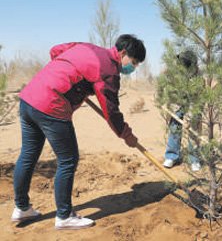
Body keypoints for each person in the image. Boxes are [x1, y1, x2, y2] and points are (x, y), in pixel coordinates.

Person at [12, 35, 146, 229]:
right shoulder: (108, 70)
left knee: (28, 154)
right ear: (123, 53)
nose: (132, 68)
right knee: (68, 159)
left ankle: (22, 208)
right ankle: (65, 216)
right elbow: (111, 111)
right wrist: (127, 135)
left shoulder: (86, 47)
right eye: (133, 63)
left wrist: (72, 76)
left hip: (29, 99)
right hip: (51, 104)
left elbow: (55, 50)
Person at [163, 50, 201, 172]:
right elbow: (168, 90)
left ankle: (194, 159)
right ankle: (172, 156)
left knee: (194, 128)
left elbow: (197, 101)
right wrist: (166, 103)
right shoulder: (173, 73)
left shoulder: (198, 77)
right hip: (177, 102)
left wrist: (190, 118)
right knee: (174, 126)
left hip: (193, 102)